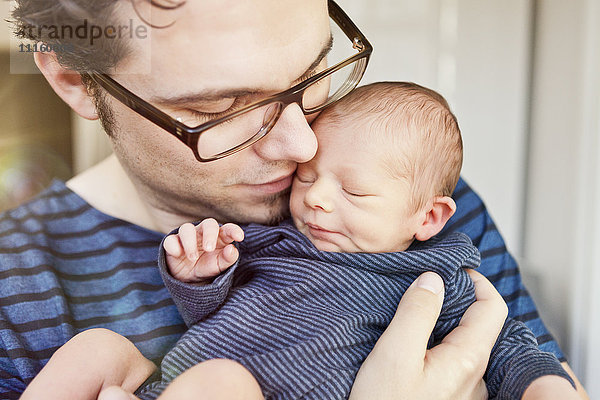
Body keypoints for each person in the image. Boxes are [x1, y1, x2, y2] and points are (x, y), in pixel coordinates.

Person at [2, 0, 588, 399]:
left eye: (313, 77)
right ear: (75, 80)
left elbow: (534, 369)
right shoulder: (14, 287)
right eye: (221, 109)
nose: (302, 143)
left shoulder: (404, 209)